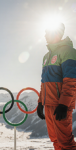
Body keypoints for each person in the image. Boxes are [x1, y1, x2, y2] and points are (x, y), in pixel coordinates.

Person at [37, 22, 76, 150]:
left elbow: (71, 81)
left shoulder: (69, 52)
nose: (44, 35)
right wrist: (40, 103)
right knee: (55, 140)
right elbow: (44, 83)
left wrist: (64, 104)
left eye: (47, 32)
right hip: (48, 104)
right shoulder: (46, 56)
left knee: (66, 143)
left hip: (60, 105)